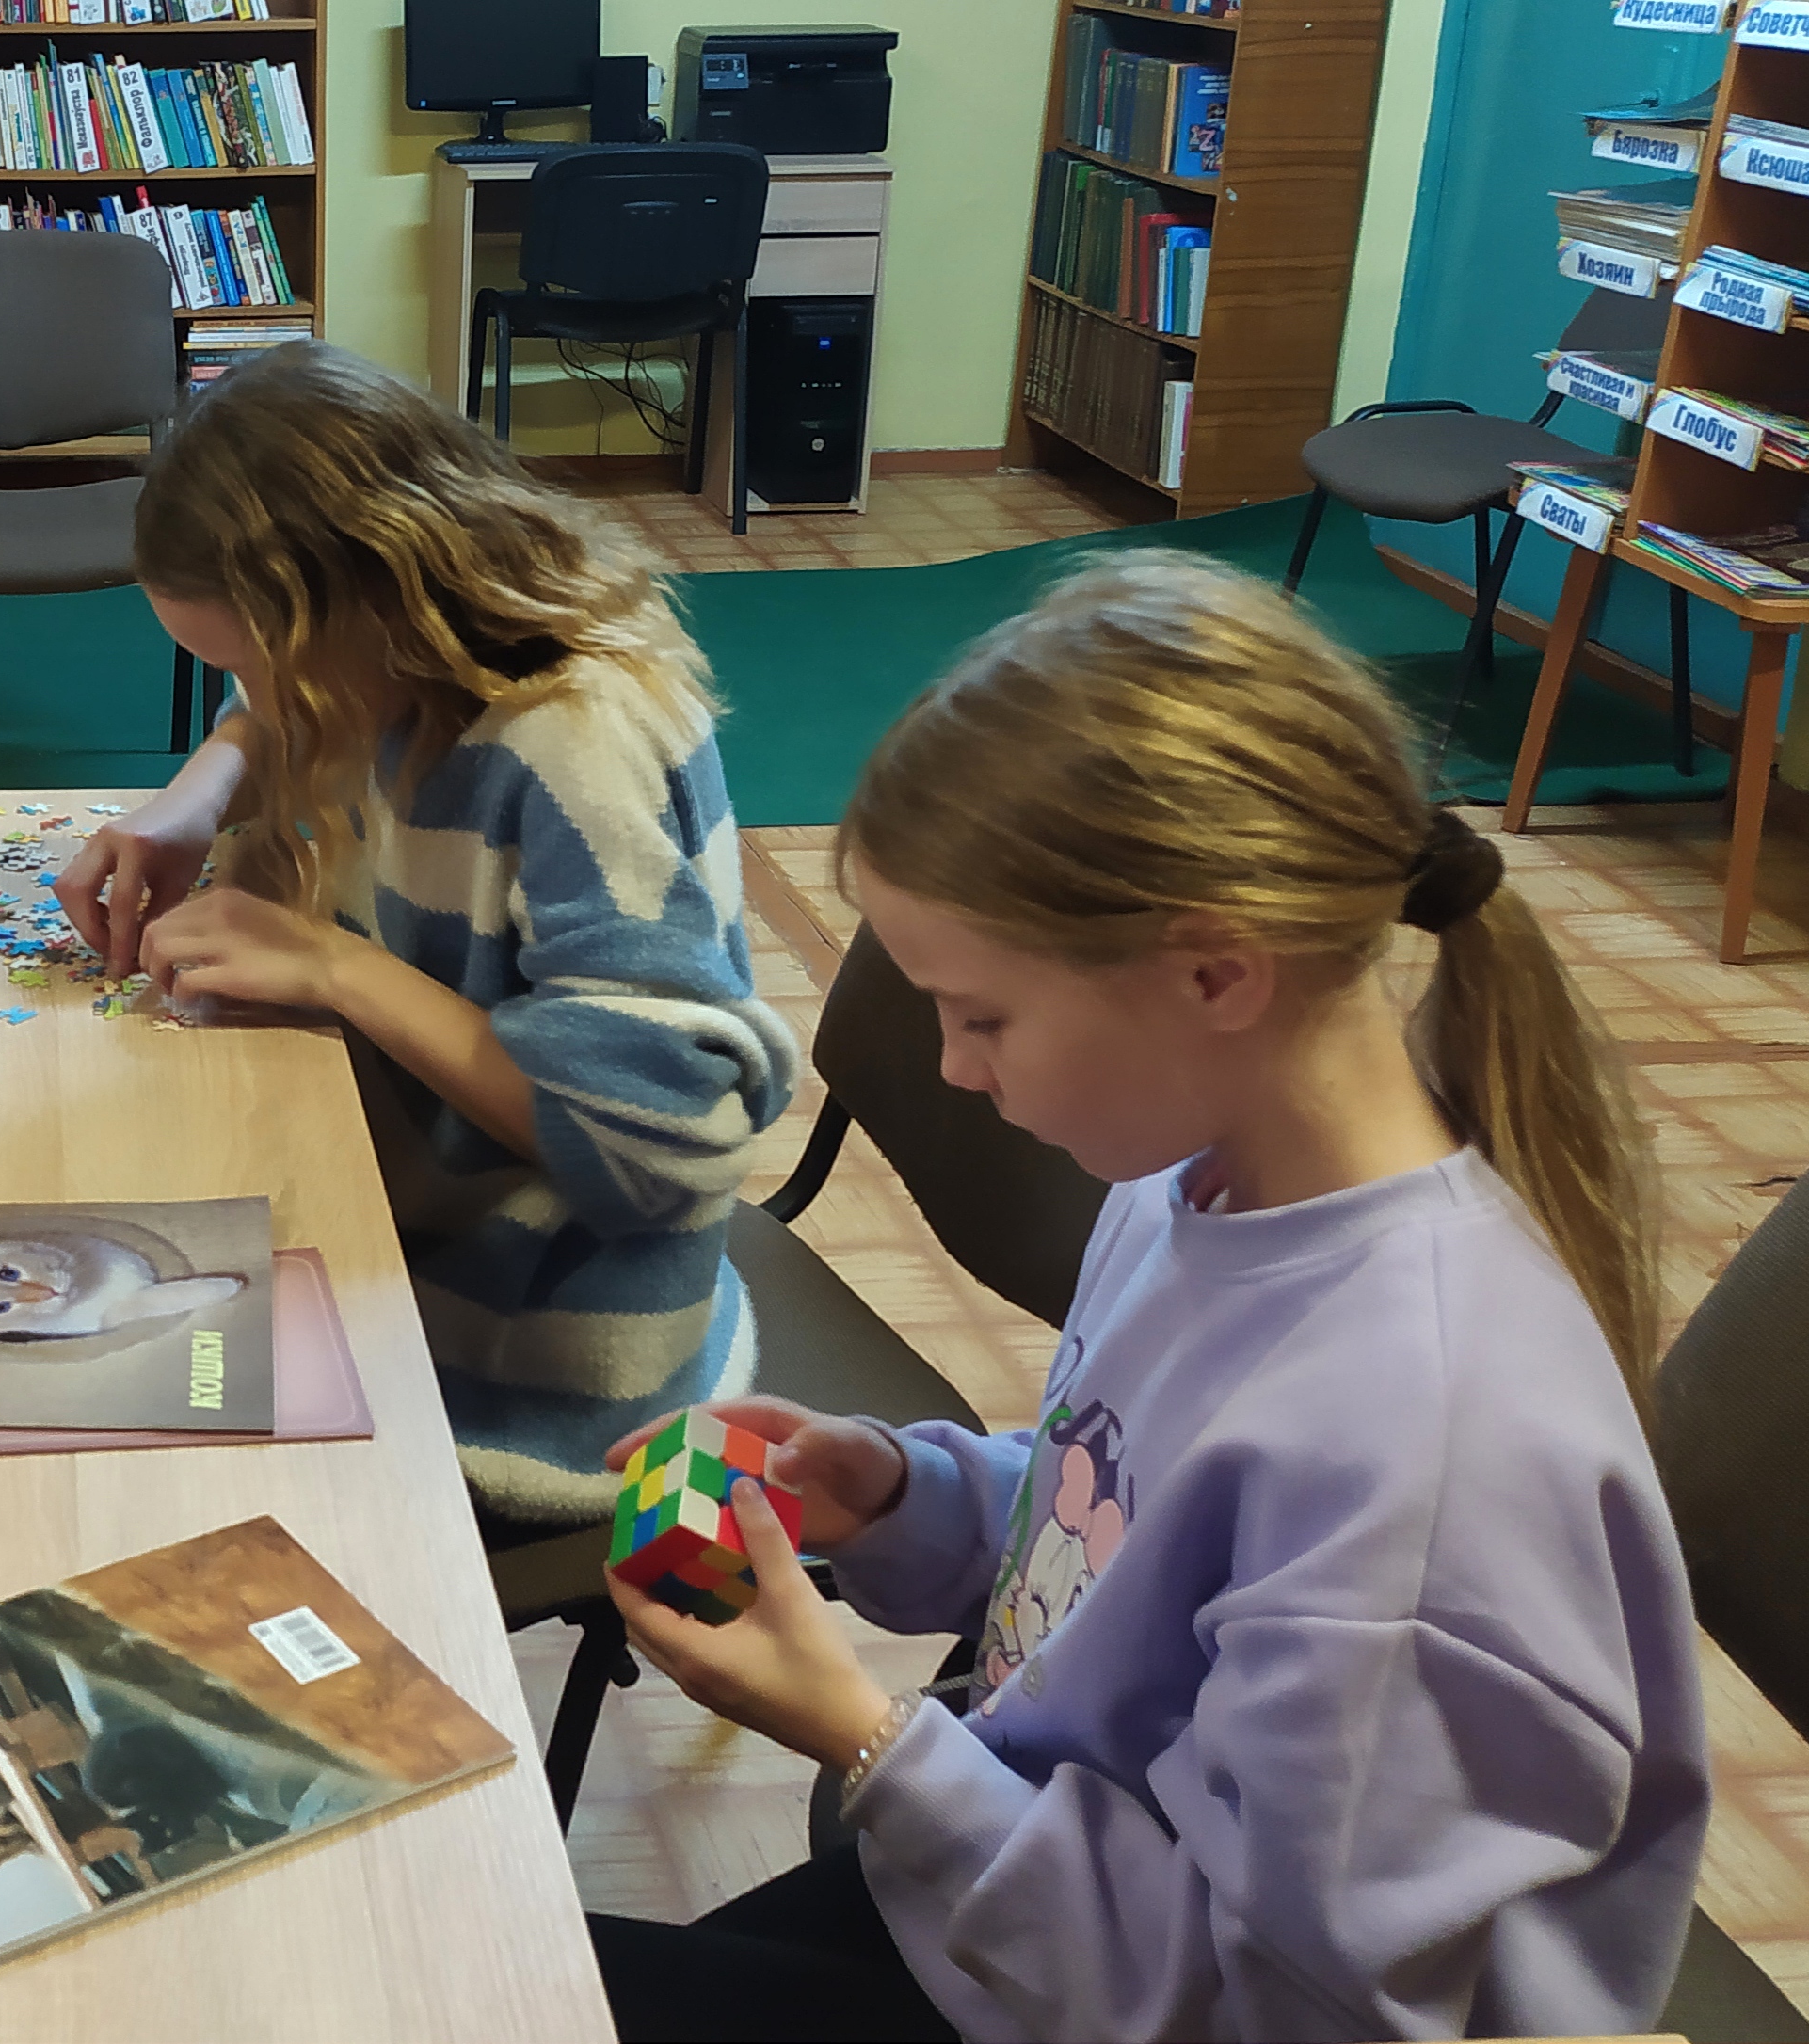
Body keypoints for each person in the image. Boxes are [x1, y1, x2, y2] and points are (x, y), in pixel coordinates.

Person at [586, 554, 1705, 2044]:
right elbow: (1123, 1526)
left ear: (1215, 974)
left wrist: (864, 1735)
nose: (952, 1068)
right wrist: (907, 1496)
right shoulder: (1197, 1180)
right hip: (1021, 1912)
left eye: (980, 1015)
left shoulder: (1428, 1453)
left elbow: (1284, 2017)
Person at [57, 343, 797, 1532]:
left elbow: (655, 1144)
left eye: (259, 660)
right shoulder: (403, 654)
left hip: (540, 1369)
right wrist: (193, 802)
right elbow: (268, 715)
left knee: (111, 1464)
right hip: (402, 1224)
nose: (256, 696)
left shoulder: (577, 741)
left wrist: (334, 966)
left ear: (383, 589)